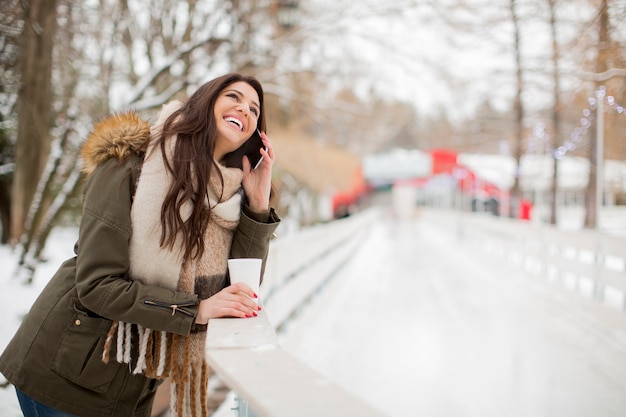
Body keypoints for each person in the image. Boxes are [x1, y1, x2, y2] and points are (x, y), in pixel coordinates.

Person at [0, 73, 280, 417]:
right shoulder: (131, 164)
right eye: (233, 96)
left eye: (254, 108)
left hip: (133, 384)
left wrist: (257, 204)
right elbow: (97, 285)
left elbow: (241, 289)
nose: (245, 109)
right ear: (206, 102)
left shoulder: (225, 198)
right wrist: (195, 310)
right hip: (68, 368)